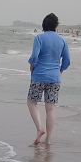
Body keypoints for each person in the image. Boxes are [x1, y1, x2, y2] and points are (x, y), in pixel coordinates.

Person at [27, 13, 70, 146]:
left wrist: (32, 66)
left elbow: (34, 56)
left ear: (43, 25)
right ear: (56, 26)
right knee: (50, 108)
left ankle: (40, 128)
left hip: (39, 75)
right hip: (54, 77)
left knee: (32, 102)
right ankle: (49, 140)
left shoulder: (39, 38)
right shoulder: (62, 40)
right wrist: (60, 70)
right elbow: (67, 60)